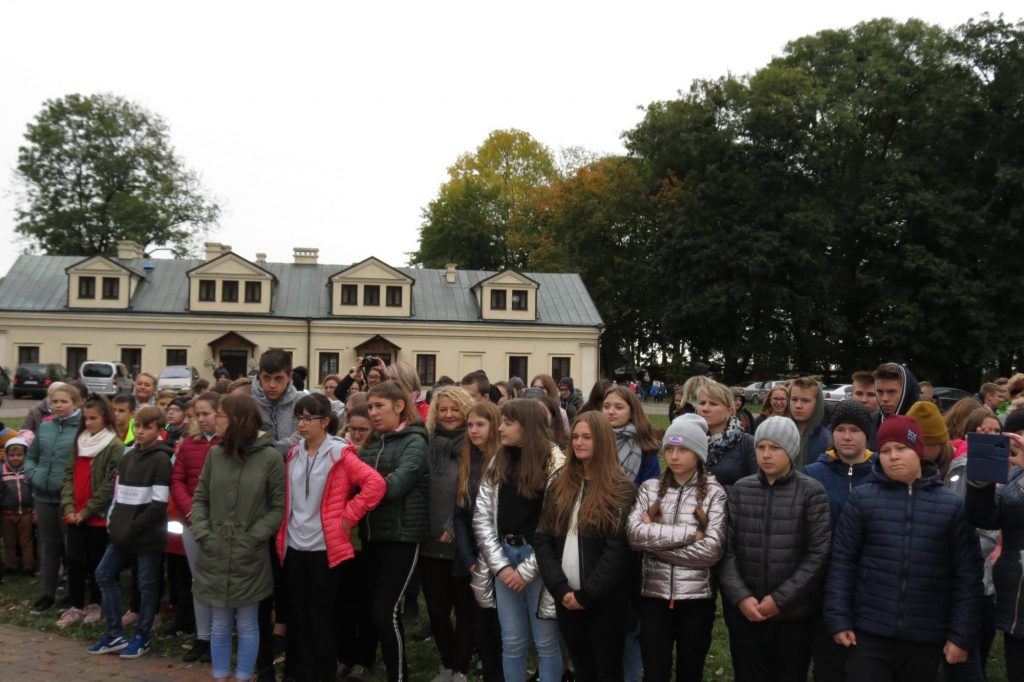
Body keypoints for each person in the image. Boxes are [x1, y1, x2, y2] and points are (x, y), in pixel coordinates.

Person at [827, 416, 982, 681]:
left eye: (901, 448)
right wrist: (839, 618)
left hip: (925, 635)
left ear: (918, 450)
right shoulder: (862, 500)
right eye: (886, 450)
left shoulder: (951, 506)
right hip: (869, 632)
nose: (893, 456)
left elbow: (967, 576)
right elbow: (842, 563)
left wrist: (961, 635)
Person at [277, 393, 386, 682]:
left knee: (321, 619)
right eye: (299, 418)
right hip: (293, 545)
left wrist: (348, 516)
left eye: (308, 418)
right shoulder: (293, 454)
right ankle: (300, 673)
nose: (301, 424)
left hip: (325, 548)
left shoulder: (340, 454)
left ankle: (323, 674)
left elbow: (375, 484)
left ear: (325, 421)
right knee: (298, 617)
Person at [719, 416, 831, 681]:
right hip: (748, 612)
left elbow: (818, 554)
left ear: (790, 450)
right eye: (761, 447)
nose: (766, 454)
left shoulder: (811, 492)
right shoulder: (741, 490)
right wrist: (742, 597)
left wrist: (780, 600)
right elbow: (727, 549)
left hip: (793, 616)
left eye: (775, 448)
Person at [534, 412, 637, 682]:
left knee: (607, 669)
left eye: (587, 437)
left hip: (605, 602)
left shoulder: (620, 489)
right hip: (566, 596)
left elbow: (617, 552)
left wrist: (587, 595)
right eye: (576, 437)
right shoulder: (560, 484)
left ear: (602, 441)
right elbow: (543, 538)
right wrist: (561, 589)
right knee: (582, 667)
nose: (578, 442)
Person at [191, 394, 286, 682]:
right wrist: (204, 533)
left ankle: (244, 676)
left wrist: (252, 537)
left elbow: (278, 507)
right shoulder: (215, 455)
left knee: (247, 622)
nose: (213, 420)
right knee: (220, 622)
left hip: (250, 553)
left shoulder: (270, 457)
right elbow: (200, 498)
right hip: (215, 549)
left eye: (219, 415)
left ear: (237, 420)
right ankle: (220, 676)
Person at [627, 414, 727, 682]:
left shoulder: (714, 493)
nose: (674, 456)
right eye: (669, 448)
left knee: (690, 671)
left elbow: (711, 550)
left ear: (698, 453)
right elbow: (634, 534)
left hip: (696, 599)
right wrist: (689, 534)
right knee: (655, 671)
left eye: (683, 449)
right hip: (653, 596)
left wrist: (654, 547)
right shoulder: (650, 490)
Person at [473, 399, 564, 682]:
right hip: (504, 555)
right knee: (511, 642)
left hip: (539, 560)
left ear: (527, 427)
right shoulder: (498, 460)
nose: (499, 428)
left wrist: (527, 570)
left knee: (545, 642)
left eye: (507, 423)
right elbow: (482, 516)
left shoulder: (554, 463)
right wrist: (500, 566)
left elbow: (557, 525)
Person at [356, 381, 429, 682]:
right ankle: (377, 665)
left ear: (399, 406)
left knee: (384, 613)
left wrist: (365, 489)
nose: (373, 413)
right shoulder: (372, 441)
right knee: (377, 611)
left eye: (379, 406)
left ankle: (398, 677)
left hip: (402, 536)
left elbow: (396, 486)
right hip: (371, 535)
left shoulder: (415, 442)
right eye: (370, 407)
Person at [88, 405, 173, 659]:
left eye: (148, 427)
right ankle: (114, 633)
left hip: (147, 534)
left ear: (159, 430)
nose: (141, 431)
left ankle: (142, 636)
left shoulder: (161, 459)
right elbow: (119, 496)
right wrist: (114, 522)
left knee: (147, 584)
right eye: (138, 426)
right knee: (104, 573)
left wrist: (133, 528)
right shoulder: (127, 457)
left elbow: (158, 504)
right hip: (122, 531)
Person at [803, 400, 875, 680]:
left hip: (870, 582)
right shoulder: (813, 474)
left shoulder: (880, 472)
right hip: (824, 582)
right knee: (827, 663)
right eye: (840, 430)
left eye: (854, 430)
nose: (847, 436)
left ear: (866, 434)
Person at [420, 386, 475, 682]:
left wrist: (454, 528)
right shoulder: (428, 444)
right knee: (437, 610)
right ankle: (448, 665)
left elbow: (477, 492)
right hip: (430, 540)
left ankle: (461, 668)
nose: (449, 415)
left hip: (462, 539)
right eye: (443, 409)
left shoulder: (473, 446)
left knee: (465, 609)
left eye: (455, 409)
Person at [57, 395, 124, 628]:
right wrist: (69, 507)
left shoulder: (114, 445)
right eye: (85, 418)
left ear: (105, 417)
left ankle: (96, 603)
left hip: (97, 515)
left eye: (93, 418)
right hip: (74, 513)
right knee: (73, 559)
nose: (88, 423)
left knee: (96, 560)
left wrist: (86, 511)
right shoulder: (80, 441)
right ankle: (76, 605)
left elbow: (110, 483)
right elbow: (68, 475)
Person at [453, 401, 503, 682]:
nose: (473, 430)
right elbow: (460, 514)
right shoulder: (468, 462)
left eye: (480, 425)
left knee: (502, 627)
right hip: (475, 557)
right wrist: (469, 559)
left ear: (495, 427)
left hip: (501, 556)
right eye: (470, 425)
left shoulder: (503, 462)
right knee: (483, 625)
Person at [171, 391, 221, 664]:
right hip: (192, 521)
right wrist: (190, 509)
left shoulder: (228, 444)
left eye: (206, 414)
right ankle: (203, 637)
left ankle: (220, 636)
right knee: (198, 580)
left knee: (218, 581)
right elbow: (177, 479)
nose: (200, 419)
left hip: (220, 523)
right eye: (197, 415)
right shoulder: (189, 444)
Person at [26, 382, 82, 614]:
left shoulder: (81, 429)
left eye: (63, 401)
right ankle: (47, 594)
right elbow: (32, 456)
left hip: (68, 498)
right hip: (43, 495)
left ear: (76, 403)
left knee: (71, 548)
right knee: (49, 546)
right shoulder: (46, 427)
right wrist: (33, 474)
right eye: (54, 401)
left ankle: (72, 593)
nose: (58, 405)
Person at [696, 381, 756, 490]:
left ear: (729, 411)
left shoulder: (747, 444)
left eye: (713, 404)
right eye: (702, 403)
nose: (705, 408)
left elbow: (757, 488)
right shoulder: (690, 441)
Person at [601, 385, 661, 485]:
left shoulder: (646, 448)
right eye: (606, 406)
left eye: (619, 407)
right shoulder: (593, 440)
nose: (610, 412)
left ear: (632, 411)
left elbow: (651, 489)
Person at [252, 348, 301, 454]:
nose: (272, 385)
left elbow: (305, 437)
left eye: (278, 378)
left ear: (289, 376)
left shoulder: (301, 402)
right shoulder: (249, 404)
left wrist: (268, 448)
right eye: (266, 378)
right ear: (259, 375)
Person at [1, 437, 34, 575]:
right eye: (12, 455)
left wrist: (35, 509)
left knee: (26, 541)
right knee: (9, 541)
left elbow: (34, 490)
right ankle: (10, 565)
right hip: (7, 513)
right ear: (7, 455)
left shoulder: (28, 471)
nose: (15, 458)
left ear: (25, 455)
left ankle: (28, 566)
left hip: (26, 512)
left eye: (19, 455)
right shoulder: (2, 471)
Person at [869, 362, 921, 448]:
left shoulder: (924, 424)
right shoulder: (869, 423)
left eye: (891, 392)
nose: (884, 399)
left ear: (906, 392)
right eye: (880, 392)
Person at [788, 377, 830, 469]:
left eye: (805, 401)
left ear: (817, 404)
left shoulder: (828, 441)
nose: (798, 406)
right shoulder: (780, 435)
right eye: (794, 399)